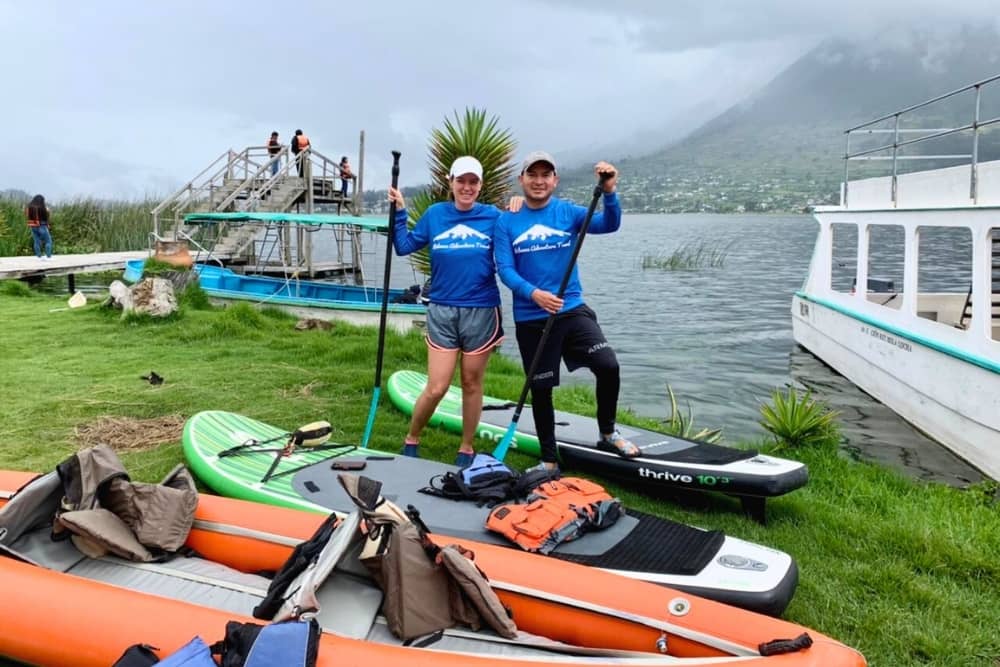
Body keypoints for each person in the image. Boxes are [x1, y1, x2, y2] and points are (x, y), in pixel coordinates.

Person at [494, 151, 637, 472]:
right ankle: (548, 459)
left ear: (555, 181)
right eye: (533, 174)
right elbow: (504, 269)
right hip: (532, 317)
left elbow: (609, 224)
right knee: (542, 389)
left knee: (608, 364)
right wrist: (534, 294)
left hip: (571, 310)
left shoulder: (568, 213)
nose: (539, 181)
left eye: (546, 175)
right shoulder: (507, 221)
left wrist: (610, 191)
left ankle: (608, 432)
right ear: (522, 180)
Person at [387, 156, 505, 467]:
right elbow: (404, 245)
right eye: (461, 181)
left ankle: (466, 448)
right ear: (450, 181)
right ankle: (412, 437)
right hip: (441, 309)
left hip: (481, 310)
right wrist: (400, 212)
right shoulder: (435, 214)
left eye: (473, 182)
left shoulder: (494, 216)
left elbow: (515, 243)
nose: (467, 187)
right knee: (437, 385)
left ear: (480, 185)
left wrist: (519, 206)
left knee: (471, 382)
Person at [25, 194, 53, 260]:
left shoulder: (29, 207)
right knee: (48, 241)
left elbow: (27, 215)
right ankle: (48, 256)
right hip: (42, 225)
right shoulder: (44, 208)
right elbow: (48, 216)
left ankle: (38, 256)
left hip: (33, 226)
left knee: (36, 241)